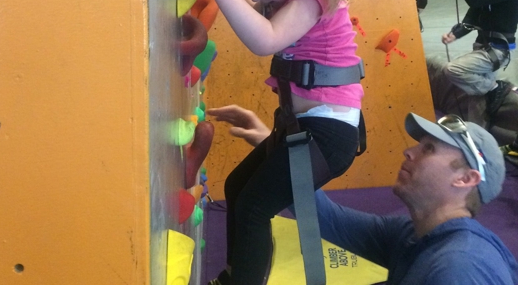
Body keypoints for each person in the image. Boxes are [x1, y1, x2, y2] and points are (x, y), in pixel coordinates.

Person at [183, 0, 364, 285]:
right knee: (238, 188)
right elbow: (251, 1)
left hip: (328, 134)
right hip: (303, 127)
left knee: (253, 206)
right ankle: (236, 275)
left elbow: (266, 39)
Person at [208, 106, 518, 284]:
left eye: (428, 149)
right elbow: (328, 220)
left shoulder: (459, 268)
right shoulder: (416, 235)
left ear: (466, 178)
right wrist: (279, 152)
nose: (409, 152)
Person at [442, 0, 518, 116]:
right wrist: (456, 33)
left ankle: (496, 87)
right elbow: (474, 12)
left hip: (499, 49)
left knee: (453, 69)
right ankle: (479, 134)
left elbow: (475, 0)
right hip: (483, 45)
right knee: (478, 101)